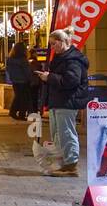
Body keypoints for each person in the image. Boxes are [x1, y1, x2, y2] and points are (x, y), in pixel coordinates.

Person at [36, 29, 89, 177]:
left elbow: (71, 81)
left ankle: (71, 164)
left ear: (63, 42)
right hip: (58, 101)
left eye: (54, 44)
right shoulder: (61, 58)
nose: (52, 47)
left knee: (66, 133)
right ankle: (63, 163)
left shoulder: (73, 60)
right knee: (58, 134)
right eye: (51, 44)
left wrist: (50, 77)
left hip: (67, 101)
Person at [6, 42, 33, 120]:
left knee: (18, 97)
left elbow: (8, 70)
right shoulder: (23, 60)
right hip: (23, 81)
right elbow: (27, 71)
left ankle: (13, 112)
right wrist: (30, 79)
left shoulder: (10, 59)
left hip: (15, 80)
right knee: (24, 98)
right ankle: (21, 114)